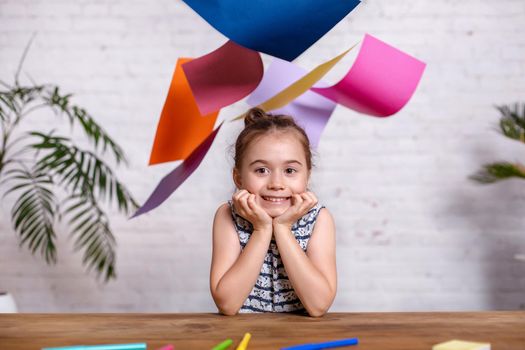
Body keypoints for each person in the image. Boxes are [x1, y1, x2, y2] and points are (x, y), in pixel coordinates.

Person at [210, 107, 336, 317]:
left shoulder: (319, 219)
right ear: (238, 178)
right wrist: (261, 229)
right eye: (261, 170)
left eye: (290, 171)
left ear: (307, 176)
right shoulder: (227, 216)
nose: (276, 184)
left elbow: (318, 305)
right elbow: (227, 304)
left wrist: (283, 228)